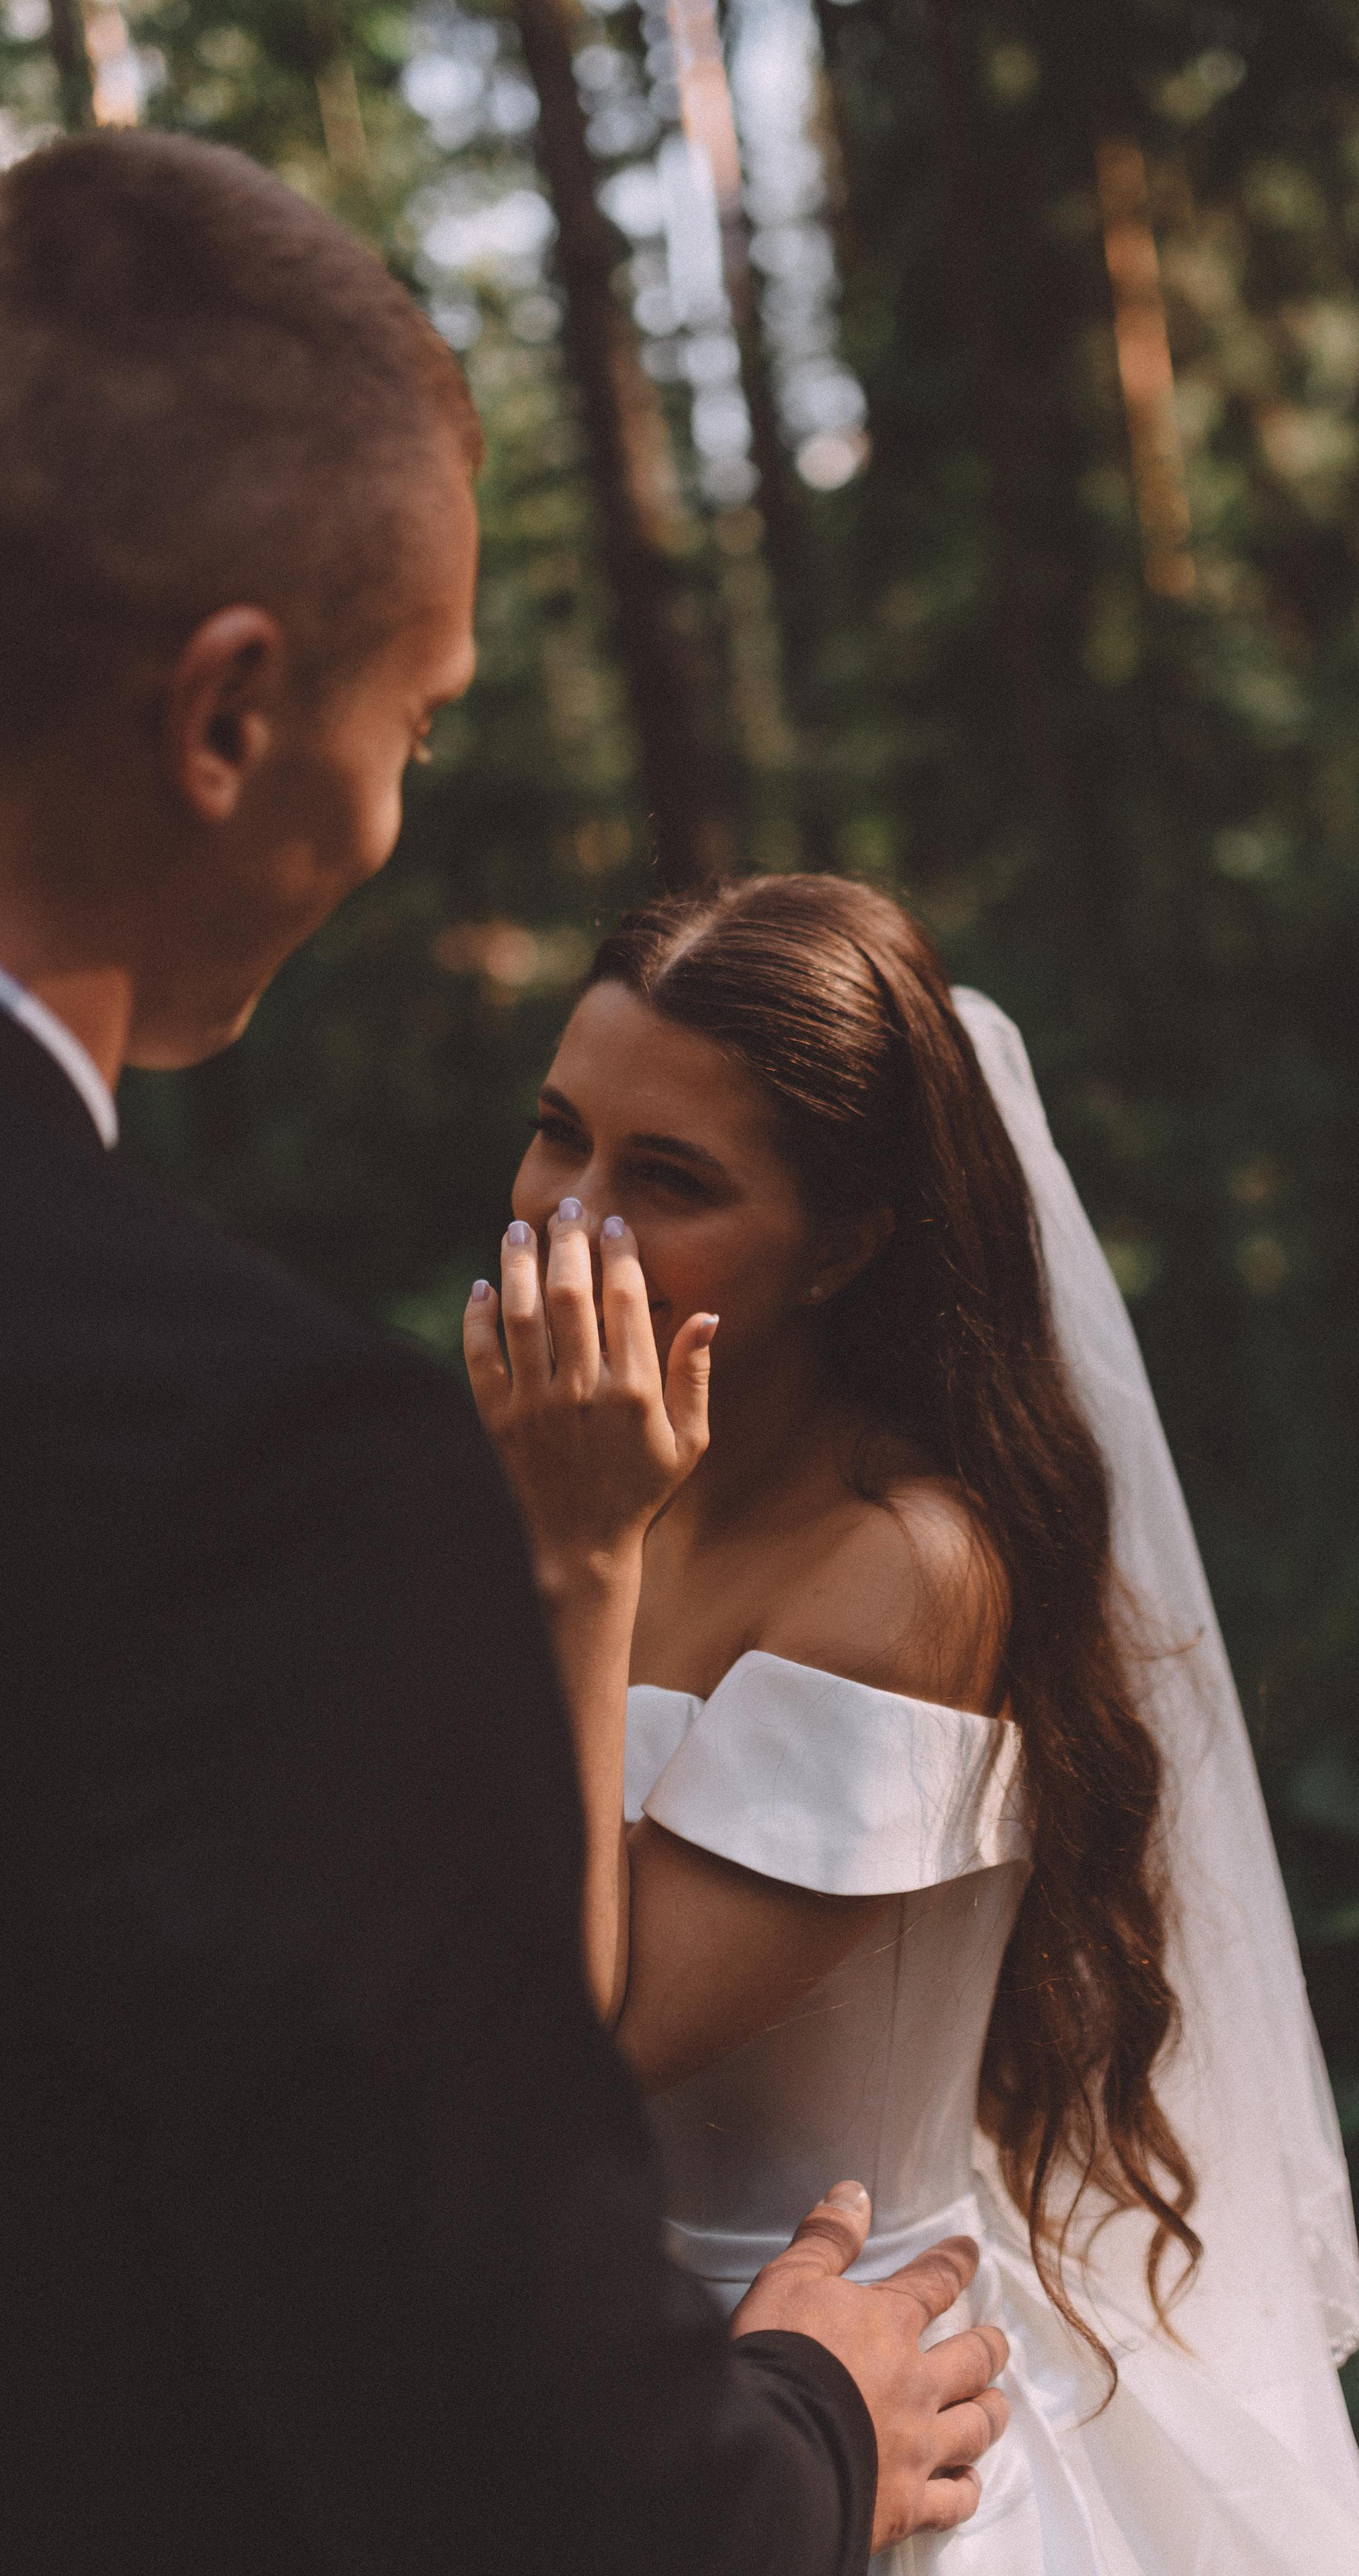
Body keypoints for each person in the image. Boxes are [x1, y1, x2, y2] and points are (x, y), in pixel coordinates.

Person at [0, 131, 1010, 2573]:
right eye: (418, 716)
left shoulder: (884, 1557)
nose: (394, 809)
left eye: (666, 1173)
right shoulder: (251, 1469)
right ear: (232, 713)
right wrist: (813, 2437)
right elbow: (514, 2460)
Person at [466, 872, 1359, 2573]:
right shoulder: (584, 1479)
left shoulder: (905, 1567)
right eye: (558, 1134)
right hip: (569, 2388)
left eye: (669, 1179)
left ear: (844, 1238)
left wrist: (571, 1548)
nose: (570, 1218)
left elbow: (563, 2053)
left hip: (847, 2406)